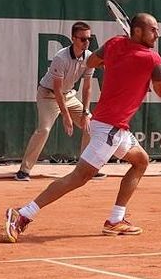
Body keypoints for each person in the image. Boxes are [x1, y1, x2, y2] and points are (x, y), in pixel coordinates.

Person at [4, 13, 161, 242]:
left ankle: (115, 220)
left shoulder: (114, 43)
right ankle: (23, 214)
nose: (157, 34)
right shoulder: (152, 58)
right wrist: (149, 72)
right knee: (79, 177)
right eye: (153, 30)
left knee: (141, 161)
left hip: (115, 128)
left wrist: (116, 58)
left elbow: (91, 63)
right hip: (108, 129)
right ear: (138, 31)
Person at [14, 21, 106, 181]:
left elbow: (87, 88)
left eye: (89, 39)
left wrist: (85, 112)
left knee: (91, 125)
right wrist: (66, 116)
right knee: (44, 130)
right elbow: (57, 90)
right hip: (48, 95)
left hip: (69, 95)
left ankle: (86, 168)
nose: (86, 42)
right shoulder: (60, 58)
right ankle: (24, 170)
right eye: (83, 39)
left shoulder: (90, 57)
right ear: (73, 39)